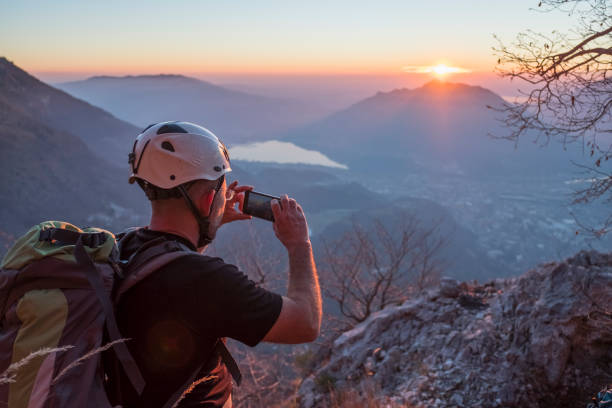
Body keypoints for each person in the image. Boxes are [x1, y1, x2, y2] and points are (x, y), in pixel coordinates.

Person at [109, 121, 322, 407]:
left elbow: (175, 268)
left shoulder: (124, 248)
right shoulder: (208, 282)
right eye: (221, 190)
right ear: (210, 198)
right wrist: (300, 245)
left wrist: (208, 222)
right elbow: (305, 323)